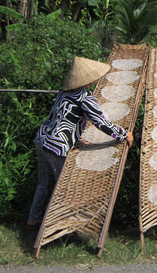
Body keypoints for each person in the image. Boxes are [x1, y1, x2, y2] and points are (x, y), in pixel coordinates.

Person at [27, 57, 134, 226]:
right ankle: (59, 221)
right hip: (57, 144)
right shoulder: (84, 96)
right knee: (62, 185)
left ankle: (34, 218)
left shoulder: (64, 92)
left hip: (42, 140)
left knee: (44, 181)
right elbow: (100, 122)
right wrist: (123, 134)